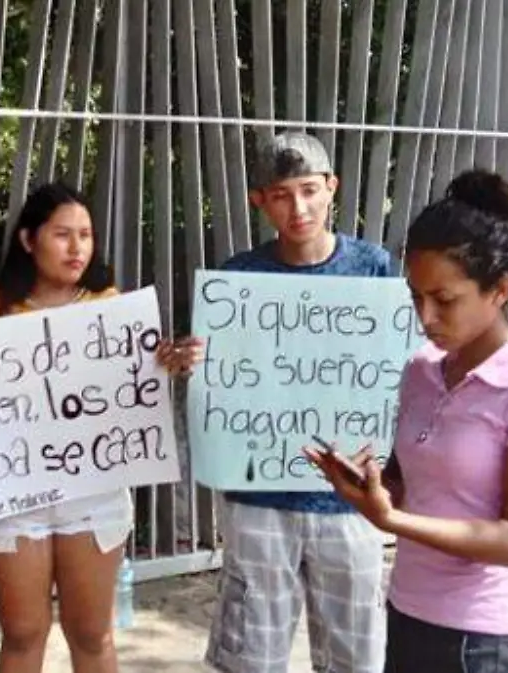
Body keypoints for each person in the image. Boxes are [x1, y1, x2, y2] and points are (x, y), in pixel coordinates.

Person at [0, 182, 192, 673]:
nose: (77, 248)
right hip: (14, 497)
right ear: (29, 240)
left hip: (93, 497)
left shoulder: (112, 309)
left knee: (91, 634)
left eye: (86, 235)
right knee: (24, 633)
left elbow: (140, 384)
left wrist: (173, 360)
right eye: (62, 234)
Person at [307, 170, 508, 673]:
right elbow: (415, 487)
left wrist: (392, 520)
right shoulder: (421, 371)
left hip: (483, 642)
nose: (425, 316)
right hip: (408, 614)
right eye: (415, 297)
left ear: (500, 289)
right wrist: (370, 487)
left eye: (444, 300)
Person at [166, 132, 392, 673]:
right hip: (257, 495)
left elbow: (394, 368)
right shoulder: (238, 278)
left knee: (357, 656)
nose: (299, 208)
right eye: (283, 195)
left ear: (332, 188)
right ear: (259, 200)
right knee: (251, 657)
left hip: (349, 497)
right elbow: (219, 381)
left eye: (310, 190)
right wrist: (190, 361)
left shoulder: (373, 269)